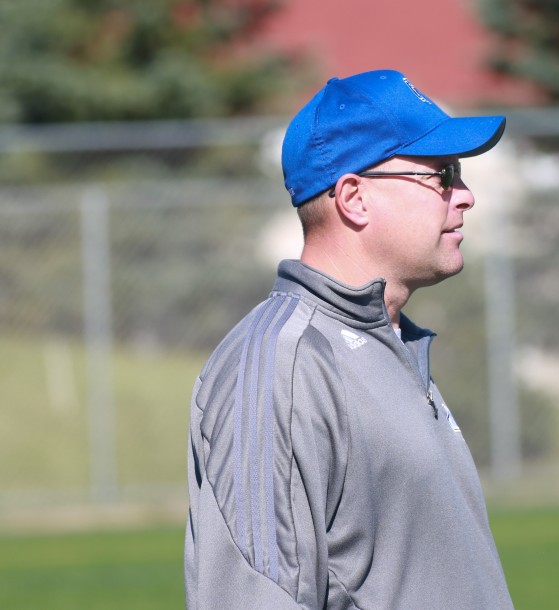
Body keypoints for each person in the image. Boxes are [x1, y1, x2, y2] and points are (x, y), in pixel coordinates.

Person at [184, 69, 513, 610]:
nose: (466, 196)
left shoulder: (392, 343)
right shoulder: (280, 365)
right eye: (442, 175)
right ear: (354, 198)